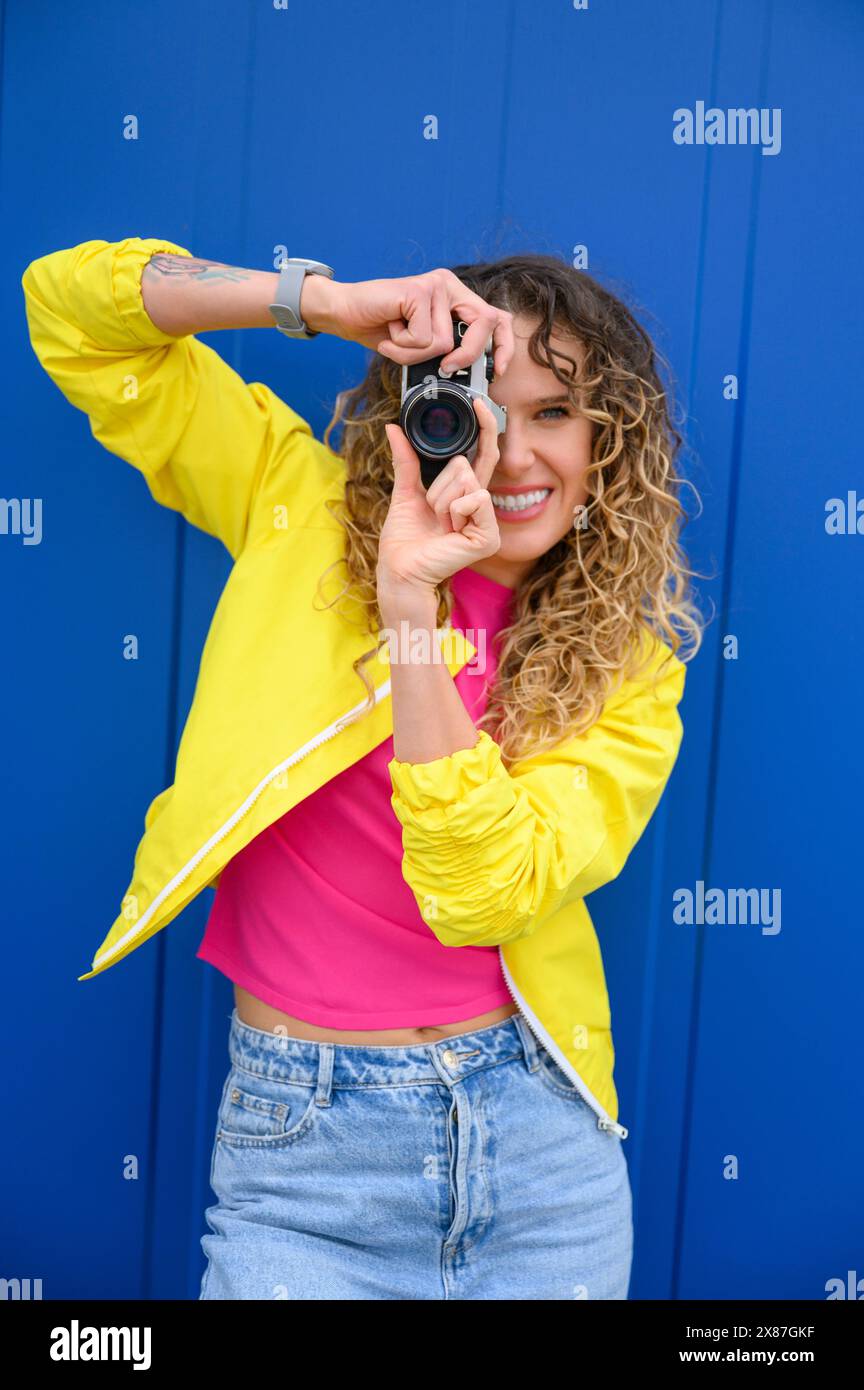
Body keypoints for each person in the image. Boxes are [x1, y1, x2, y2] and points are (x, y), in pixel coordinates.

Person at [22, 237, 703, 1300]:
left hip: (538, 1155)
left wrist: (412, 624)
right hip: (305, 1153)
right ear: (416, 413)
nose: (514, 454)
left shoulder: (630, 667)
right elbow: (74, 316)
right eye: (478, 403)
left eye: (555, 413)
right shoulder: (292, 506)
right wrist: (324, 302)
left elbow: (481, 888)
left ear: (611, 443)